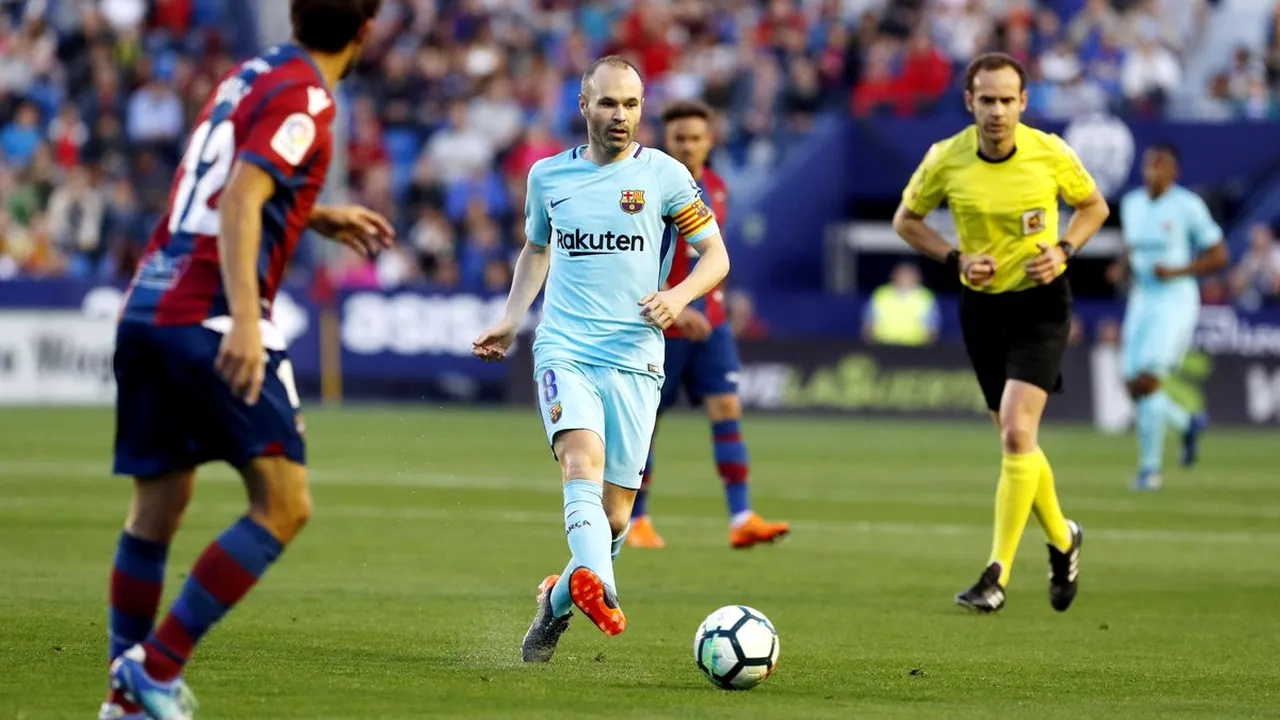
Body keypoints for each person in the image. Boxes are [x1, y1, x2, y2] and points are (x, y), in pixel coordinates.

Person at [103, 2, 390, 718]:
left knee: (158, 508)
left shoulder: (251, 74)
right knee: (284, 503)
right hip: (209, 312)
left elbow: (219, 176)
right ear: (364, 33)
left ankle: (124, 696)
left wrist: (312, 213)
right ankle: (156, 671)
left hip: (148, 304)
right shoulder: (311, 97)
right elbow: (238, 199)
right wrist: (245, 323)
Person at [471, 56, 730, 662]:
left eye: (633, 105)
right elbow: (536, 250)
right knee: (579, 460)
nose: (622, 115)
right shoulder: (547, 178)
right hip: (566, 348)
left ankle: (559, 599)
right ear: (584, 106)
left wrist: (677, 296)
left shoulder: (666, 176)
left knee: (615, 519)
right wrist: (513, 318)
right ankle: (603, 588)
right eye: (610, 103)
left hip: (637, 357)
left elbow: (715, 257)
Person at [891, 52, 1111, 614]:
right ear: (969, 102)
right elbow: (906, 221)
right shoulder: (946, 159)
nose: (996, 111)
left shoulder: (1050, 152)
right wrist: (955, 259)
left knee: (1016, 432)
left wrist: (1064, 250)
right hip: (982, 310)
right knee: (1019, 442)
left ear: (1023, 103)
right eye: (985, 100)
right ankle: (1063, 538)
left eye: (1006, 100)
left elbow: (1094, 207)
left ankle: (996, 574)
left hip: (1041, 305)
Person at [626, 100, 789, 551]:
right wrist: (677, 305)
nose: (689, 146)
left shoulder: (716, 187)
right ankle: (637, 520)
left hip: (711, 325)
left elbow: (709, 255)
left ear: (710, 141)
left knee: (727, 412)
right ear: (665, 139)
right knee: (646, 425)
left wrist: (713, 301)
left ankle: (742, 517)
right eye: (680, 138)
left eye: (697, 138)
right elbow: (636, 260)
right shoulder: (647, 189)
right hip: (662, 326)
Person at [1116, 144, 1226, 490]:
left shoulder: (1187, 206)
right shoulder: (1132, 204)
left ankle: (1149, 470)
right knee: (1132, 384)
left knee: (1148, 379)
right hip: (1141, 298)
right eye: (1149, 165)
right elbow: (1132, 246)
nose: (1153, 172)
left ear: (1174, 172)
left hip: (1174, 300)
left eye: (1160, 166)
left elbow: (1219, 255)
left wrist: (1179, 271)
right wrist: (1120, 266)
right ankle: (1186, 422)